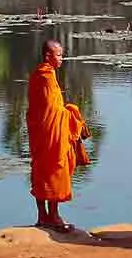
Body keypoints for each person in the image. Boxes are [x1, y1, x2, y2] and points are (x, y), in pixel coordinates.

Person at [26, 40, 89, 233]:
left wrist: (67, 111)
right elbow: (52, 110)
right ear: (48, 56)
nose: (62, 58)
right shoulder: (46, 76)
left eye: (62, 54)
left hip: (41, 132)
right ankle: (52, 216)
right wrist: (72, 114)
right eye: (59, 54)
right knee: (54, 168)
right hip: (49, 134)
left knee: (40, 170)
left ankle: (42, 216)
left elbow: (45, 108)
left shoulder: (39, 74)